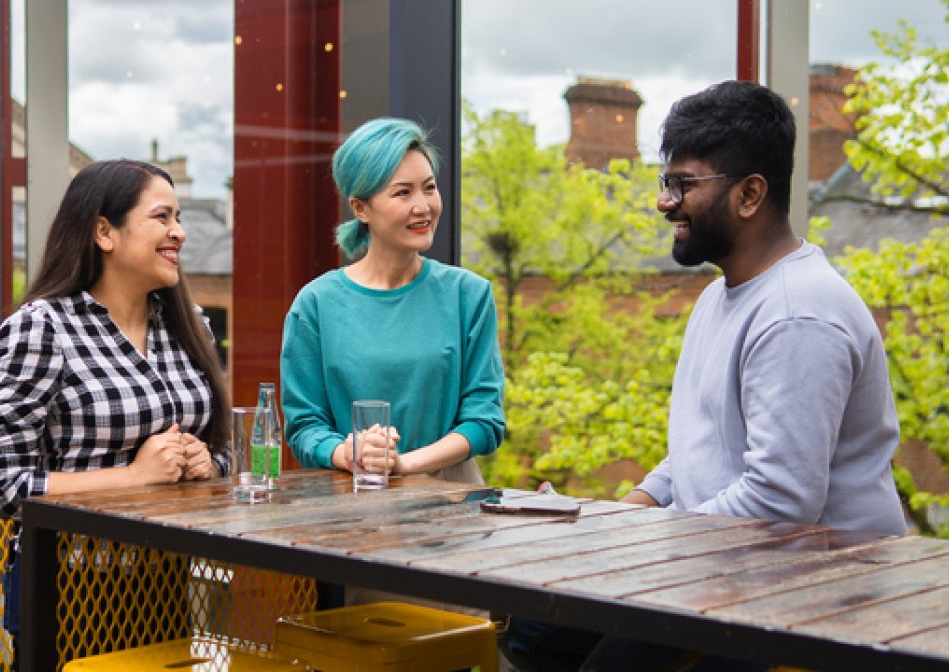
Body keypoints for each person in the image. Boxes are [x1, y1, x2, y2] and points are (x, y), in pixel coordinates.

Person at [501, 80, 907, 671]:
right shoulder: (721, 296)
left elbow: (779, 503)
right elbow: (701, 453)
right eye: (666, 182)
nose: (664, 202)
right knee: (537, 631)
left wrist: (637, 542)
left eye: (683, 184)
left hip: (809, 596)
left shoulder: (797, 314)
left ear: (749, 194)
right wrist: (615, 518)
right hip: (723, 567)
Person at [0, 159, 231, 664]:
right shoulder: (43, 329)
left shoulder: (188, 324)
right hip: (71, 585)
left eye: (179, 217)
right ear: (104, 232)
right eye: (161, 217)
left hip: (168, 578)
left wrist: (208, 465)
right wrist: (134, 477)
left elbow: (223, 453)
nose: (179, 232)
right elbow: (3, 488)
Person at [280, 116, 504, 487]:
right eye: (403, 193)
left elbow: (485, 421)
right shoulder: (315, 304)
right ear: (360, 208)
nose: (423, 206)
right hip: (349, 503)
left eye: (429, 188)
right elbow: (304, 426)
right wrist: (349, 453)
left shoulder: (469, 295)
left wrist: (401, 464)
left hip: (451, 503)